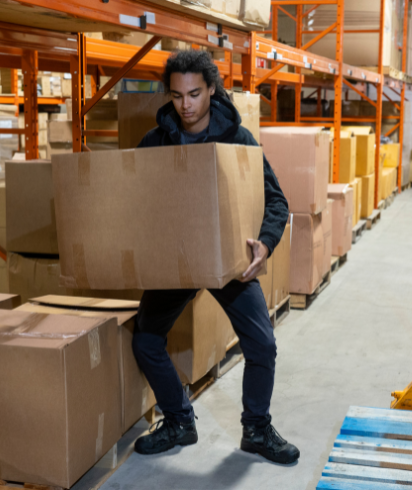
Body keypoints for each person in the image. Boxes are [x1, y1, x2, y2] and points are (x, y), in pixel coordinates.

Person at [131, 50, 298, 465]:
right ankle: (178, 421)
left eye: (194, 94)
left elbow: (276, 201)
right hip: (179, 259)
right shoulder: (155, 143)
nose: (185, 105)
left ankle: (256, 429)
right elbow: (135, 203)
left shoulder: (238, 141)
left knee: (262, 344)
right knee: (146, 340)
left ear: (211, 90)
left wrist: (265, 244)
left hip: (230, 261)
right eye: (177, 95)